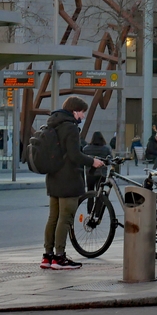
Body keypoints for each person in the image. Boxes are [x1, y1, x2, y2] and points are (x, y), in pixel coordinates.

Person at [41, 97, 105, 271]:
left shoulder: (53, 124)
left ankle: (47, 256)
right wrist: (93, 162)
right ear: (75, 111)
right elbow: (74, 155)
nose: (83, 116)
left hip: (53, 178)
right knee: (66, 218)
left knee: (53, 218)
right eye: (82, 112)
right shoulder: (70, 128)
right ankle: (59, 258)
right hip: (68, 179)